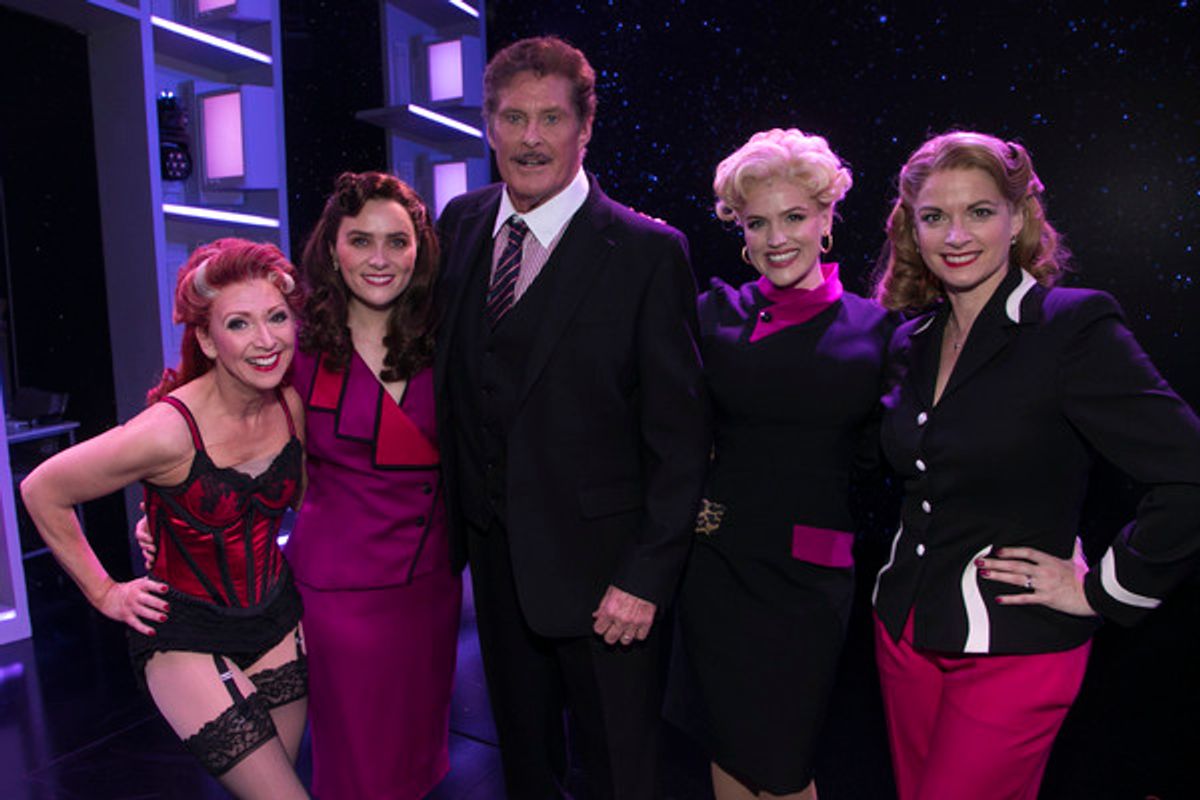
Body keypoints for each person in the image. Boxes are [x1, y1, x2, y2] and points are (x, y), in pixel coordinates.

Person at [870, 130, 1200, 800]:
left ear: (1018, 218)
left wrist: (1104, 589)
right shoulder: (911, 341)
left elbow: (1189, 471)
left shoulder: (1072, 328)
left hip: (1019, 644)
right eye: (934, 216)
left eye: (979, 211)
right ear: (913, 229)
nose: (955, 235)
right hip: (903, 633)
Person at [434, 35, 710, 800]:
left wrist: (645, 578)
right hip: (494, 570)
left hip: (606, 584)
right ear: (488, 125)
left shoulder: (648, 253)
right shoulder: (459, 224)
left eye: (551, 118)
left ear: (586, 128)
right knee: (525, 771)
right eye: (513, 118)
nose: (530, 139)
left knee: (621, 776)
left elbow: (682, 437)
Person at [21, 238, 310, 799]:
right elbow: (42, 489)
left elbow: (303, 498)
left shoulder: (287, 406)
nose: (267, 339)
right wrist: (105, 592)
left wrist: (163, 515)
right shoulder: (168, 431)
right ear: (207, 338)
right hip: (187, 634)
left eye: (277, 317)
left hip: (277, 618)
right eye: (240, 323)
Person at [665, 129, 893, 800]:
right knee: (728, 745)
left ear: (826, 218)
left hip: (807, 586)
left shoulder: (877, 330)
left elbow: (896, 452)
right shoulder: (713, 314)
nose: (776, 238)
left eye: (794, 217)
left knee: (785, 764)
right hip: (717, 570)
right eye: (757, 222)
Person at [282, 171, 461, 800]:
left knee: (415, 762)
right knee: (359, 767)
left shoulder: (448, 339)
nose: (379, 259)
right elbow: (227, 429)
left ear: (420, 250)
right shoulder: (295, 346)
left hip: (430, 589)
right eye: (361, 240)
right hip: (340, 594)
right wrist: (171, 510)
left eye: (397, 241)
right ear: (333, 250)